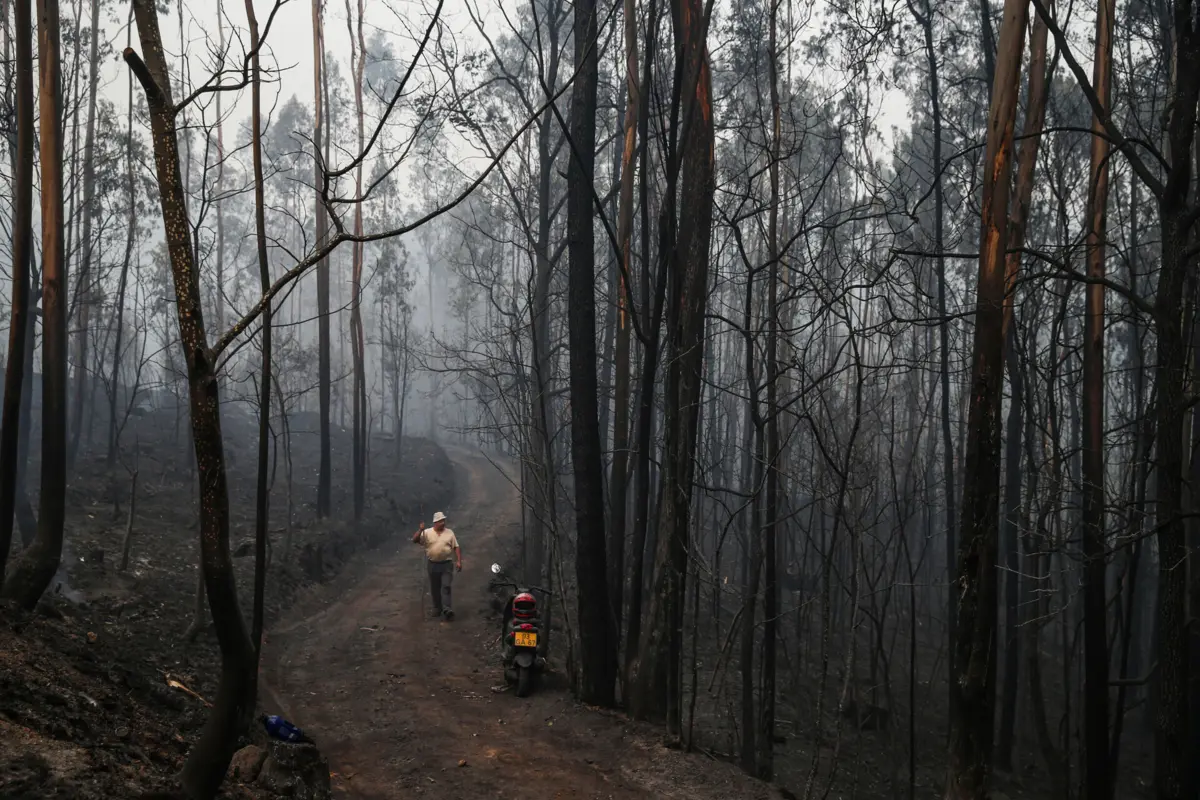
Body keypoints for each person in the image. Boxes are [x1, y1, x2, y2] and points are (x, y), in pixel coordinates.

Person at [412, 511, 462, 620]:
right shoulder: (427, 532)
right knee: (435, 588)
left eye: (443, 520)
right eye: (440, 521)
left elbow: (456, 547)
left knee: (446, 586)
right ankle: (437, 608)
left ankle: (447, 609)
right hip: (433, 564)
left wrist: (459, 561)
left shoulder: (450, 533)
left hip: (447, 564)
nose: (443, 523)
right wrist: (420, 530)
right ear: (435, 522)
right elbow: (415, 540)